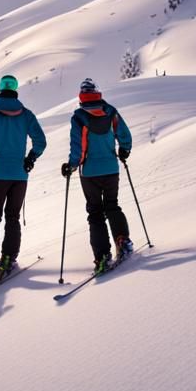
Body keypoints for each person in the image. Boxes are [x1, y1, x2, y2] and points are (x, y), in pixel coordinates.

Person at [0, 74, 47, 283]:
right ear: (15, 90)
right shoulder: (26, 114)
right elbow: (40, 141)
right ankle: (9, 257)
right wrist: (30, 159)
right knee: (12, 216)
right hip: (19, 175)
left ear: (0, 89)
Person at [61, 78, 134, 275]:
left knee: (95, 213)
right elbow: (124, 134)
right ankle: (123, 240)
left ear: (81, 95)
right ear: (96, 92)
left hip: (90, 173)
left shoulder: (79, 117)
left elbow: (77, 147)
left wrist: (72, 165)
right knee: (112, 205)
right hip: (111, 168)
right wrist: (124, 150)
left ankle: (102, 256)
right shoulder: (110, 111)